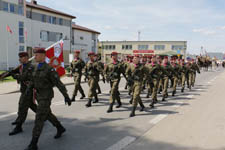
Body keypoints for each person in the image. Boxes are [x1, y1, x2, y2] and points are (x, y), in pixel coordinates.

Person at [24, 48, 71, 150]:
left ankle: (33, 143)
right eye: (35, 54)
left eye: (36, 55)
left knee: (40, 117)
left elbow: (58, 83)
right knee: (47, 114)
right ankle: (60, 127)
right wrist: (28, 89)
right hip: (38, 95)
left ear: (43, 56)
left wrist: (66, 96)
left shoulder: (49, 69)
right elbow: (32, 80)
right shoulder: (35, 67)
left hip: (46, 96)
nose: (35, 56)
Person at [9, 52, 37, 136]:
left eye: (21, 57)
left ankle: (19, 126)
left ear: (26, 58)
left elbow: (23, 77)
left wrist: (15, 76)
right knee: (31, 105)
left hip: (29, 90)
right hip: (24, 90)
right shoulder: (21, 66)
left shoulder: (30, 67)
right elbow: (14, 72)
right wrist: (8, 73)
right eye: (19, 57)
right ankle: (45, 115)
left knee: (23, 108)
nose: (19, 59)